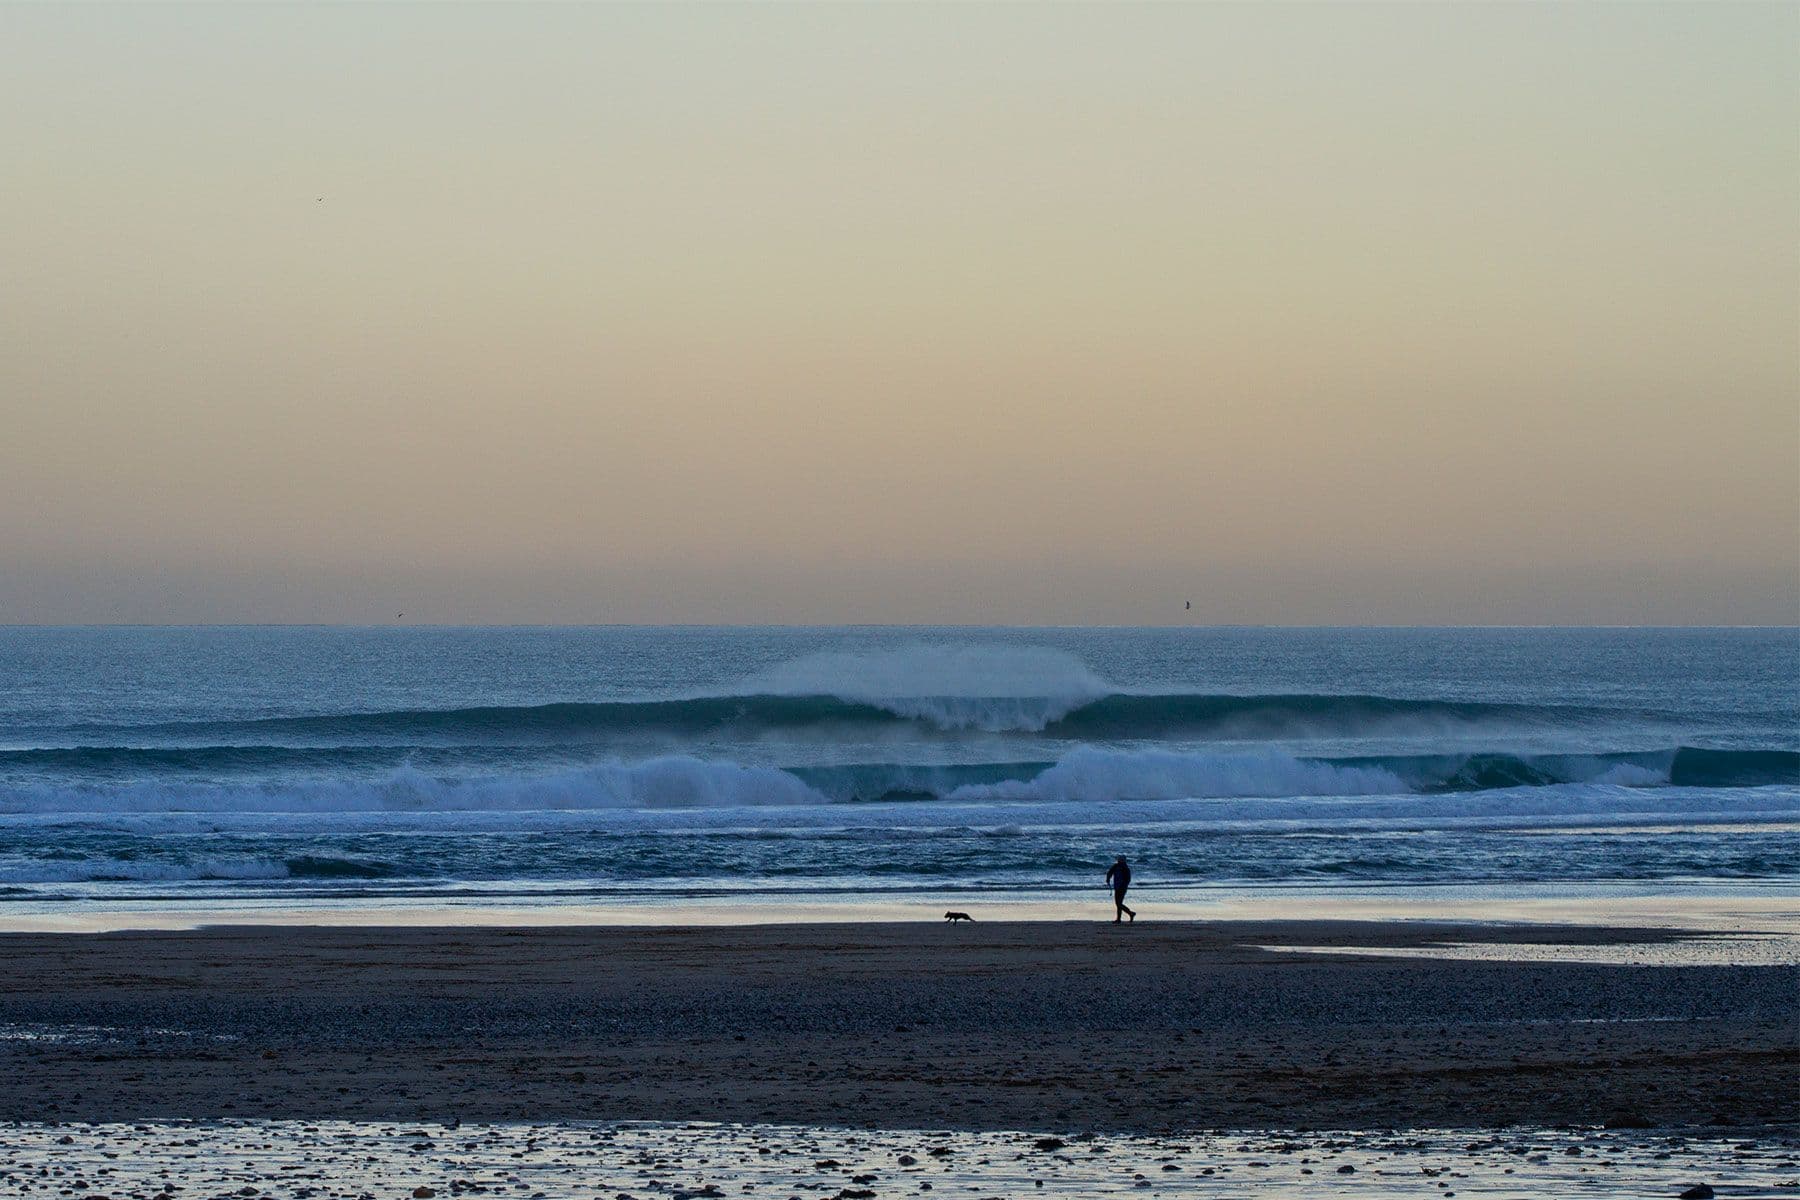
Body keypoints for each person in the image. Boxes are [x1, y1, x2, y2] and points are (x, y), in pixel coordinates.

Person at [1105, 855, 1136, 924]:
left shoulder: (1125, 868)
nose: (1119, 861)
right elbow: (1110, 872)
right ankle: (1120, 918)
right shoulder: (1116, 866)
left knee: (1119, 903)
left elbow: (1128, 879)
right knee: (1118, 903)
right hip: (1117, 886)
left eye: (1121, 860)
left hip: (1122, 887)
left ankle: (1130, 913)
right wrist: (1108, 879)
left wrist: (1124, 885)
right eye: (1119, 860)